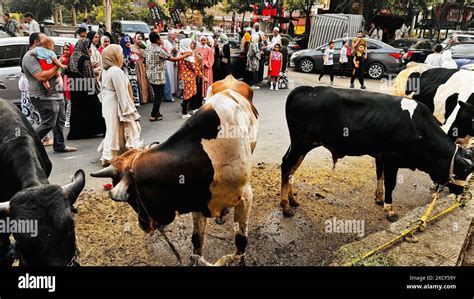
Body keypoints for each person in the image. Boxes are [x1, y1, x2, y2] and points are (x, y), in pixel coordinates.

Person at [22, 32, 77, 153]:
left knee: (60, 121)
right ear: (36, 42)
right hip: (43, 96)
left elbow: (56, 71)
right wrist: (59, 65)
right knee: (48, 123)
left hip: (56, 93)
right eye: (44, 40)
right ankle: (27, 146)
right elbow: (41, 76)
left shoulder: (45, 54)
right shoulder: (30, 57)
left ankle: (59, 145)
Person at [98, 44, 144, 166]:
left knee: (112, 129)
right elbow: (121, 92)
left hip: (108, 102)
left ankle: (109, 155)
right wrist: (128, 109)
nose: (123, 57)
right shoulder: (115, 71)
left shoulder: (106, 70)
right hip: (115, 103)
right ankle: (109, 156)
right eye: (120, 54)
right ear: (113, 56)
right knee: (115, 129)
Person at [144, 32, 191, 121]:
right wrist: (185, 55)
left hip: (150, 75)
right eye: (160, 38)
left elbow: (144, 59)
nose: (161, 40)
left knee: (157, 95)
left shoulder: (148, 48)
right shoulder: (158, 50)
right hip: (158, 76)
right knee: (159, 96)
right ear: (157, 40)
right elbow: (173, 59)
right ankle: (153, 115)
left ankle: (156, 112)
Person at [66, 38, 106, 140]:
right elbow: (89, 76)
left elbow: (70, 71)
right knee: (96, 108)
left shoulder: (72, 56)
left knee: (78, 110)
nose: (89, 50)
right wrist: (96, 88)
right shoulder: (84, 58)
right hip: (85, 88)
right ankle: (100, 129)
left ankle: (78, 133)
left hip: (74, 88)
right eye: (88, 48)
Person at [177, 38, 208, 119]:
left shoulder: (180, 53)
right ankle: (184, 113)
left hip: (184, 76)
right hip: (189, 77)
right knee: (188, 95)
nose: (192, 45)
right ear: (186, 44)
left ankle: (193, 109)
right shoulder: (188, 54)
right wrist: (203, 76)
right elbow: (194, 67)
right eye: (190, 44)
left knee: (191, 93)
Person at [130, 32, 151, 104]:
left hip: (143, 65)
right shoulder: (131, 47)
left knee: (144, 81)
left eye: (141, 39)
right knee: (138, 82)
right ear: (134, 39)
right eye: (138, 39)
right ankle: (139, 99)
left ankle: (145, 98)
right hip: (135, 66)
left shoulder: (143, 47)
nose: (139, 41)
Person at [120, 35, 141, 106]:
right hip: (125, 72)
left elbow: (134, 58)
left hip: (132, 71)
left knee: (134, 85)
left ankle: (135, 102)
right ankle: (128, 103)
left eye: (129, 42)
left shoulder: (130, 50)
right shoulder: (121, 52)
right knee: (127, 86)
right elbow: (120, 63)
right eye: (126, 42)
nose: (128, 43)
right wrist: (127, 62)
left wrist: (133, 61)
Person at [163, 31, 179, 99]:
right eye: (173, 35)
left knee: (172, 76)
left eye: (175, 35)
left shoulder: (174, 42)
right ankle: (169, 91)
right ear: (169, 35)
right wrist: (171, 49)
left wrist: (175, 50)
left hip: (173, 60)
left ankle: (173, 91)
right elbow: (165, 50)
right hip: (168, 61)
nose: (174, 37)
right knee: (169, 76)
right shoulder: (166, 42)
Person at [62, 43, 74, 128]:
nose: (65, 51)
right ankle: (67, 120)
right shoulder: (62, 59)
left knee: (70, 101)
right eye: (64, 49)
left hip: (71, 81)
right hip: (65, 81)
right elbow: (59, 71)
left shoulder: (73, 59)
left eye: (67, 49)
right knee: (68, 100)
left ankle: (69, 119)